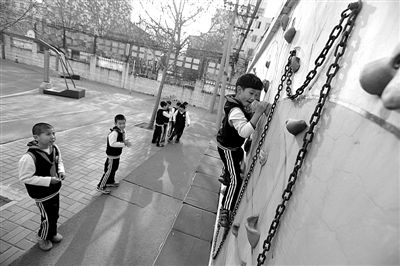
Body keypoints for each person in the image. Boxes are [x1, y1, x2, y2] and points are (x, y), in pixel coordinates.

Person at [216, 73, 270, 227]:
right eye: (251, 93)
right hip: (227, 147)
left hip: (234, 147)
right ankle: (225, 210)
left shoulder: (241, 104)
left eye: (257, 95)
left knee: (237, 156)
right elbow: (245, 132)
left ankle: (226, 172)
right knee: (236, 179)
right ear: (239, 90)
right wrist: (258, 113)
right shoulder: (235, 111)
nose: (254, 98)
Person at [18, 123, 66, 251]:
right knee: (47, 217)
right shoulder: (28, 157)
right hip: (41, 194)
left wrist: (61, 171)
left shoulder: (54, 148)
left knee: (54, 214)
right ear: (36, 137)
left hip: (54, 190)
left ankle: (52, 233)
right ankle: (42, 236)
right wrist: (49, 180)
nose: (53, 137)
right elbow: (25, 178)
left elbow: (59, 161)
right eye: (48, 134)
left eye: (54, 133)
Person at [97, 114, 131, 194]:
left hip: (117, 155)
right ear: (115, 124)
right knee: (108, 171)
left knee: (114, 169)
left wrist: (125, 140)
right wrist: (124, 143)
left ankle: (110, 182)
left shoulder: (122, 131)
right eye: (120, 123)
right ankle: (100, 186)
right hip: (111, 157)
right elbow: (112, 143)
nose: (122, 125)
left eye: (123, 123)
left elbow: (122, 139)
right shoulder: (114, 133)